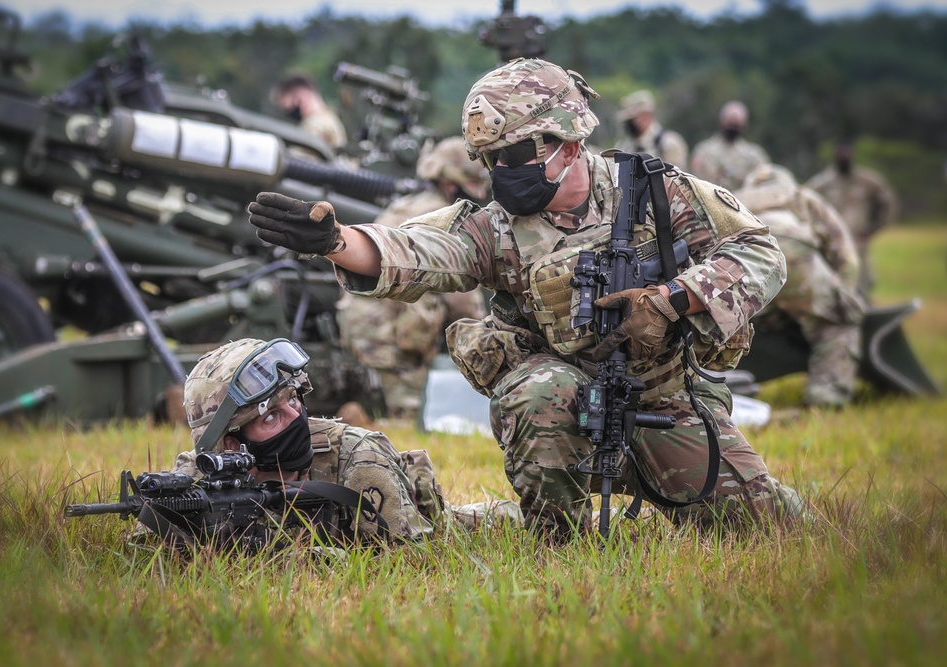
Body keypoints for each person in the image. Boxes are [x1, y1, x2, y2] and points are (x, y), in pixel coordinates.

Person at [248, 58, 804, 540]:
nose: (502, 172)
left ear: (570, 141)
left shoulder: (658, 191)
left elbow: (762, 252)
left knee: (771, 529)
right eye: (489, 160)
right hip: (563, 404)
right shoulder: (497, 227)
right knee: (537, 389)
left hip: (665, 399)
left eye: (515, 153)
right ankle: (557, 540)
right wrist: (336, 242)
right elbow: (421, 251)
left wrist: (673, 299)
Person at [175, 337, 521, 544]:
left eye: (294, 399)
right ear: (231, 445)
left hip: (422, 516)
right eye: (271, 416)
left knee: (505, 519)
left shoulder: (358, 456)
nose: (297, 417)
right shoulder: (204, 479)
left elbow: (406, 555)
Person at [336, 136, 489, 419]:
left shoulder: (407, 205)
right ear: (451, 184)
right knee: (410, 413)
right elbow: (462, 299)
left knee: (381, 403)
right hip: (392, 330)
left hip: (361, 321)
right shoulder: (446, 219)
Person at [736, 164, 866, 408]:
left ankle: (719, 396)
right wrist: (840, 299)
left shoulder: (735, 198)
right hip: (792, 248)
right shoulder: (803, 196)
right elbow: (846, 257)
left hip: (742, 254)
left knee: (726, 331)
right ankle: (825, 399)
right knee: (836, 322)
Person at [806, 142, 898, 299]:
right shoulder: (823, 183)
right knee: (834, 287)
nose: (844, 158)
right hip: (832, 245)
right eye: (840, 154)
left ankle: (865, 317)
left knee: (862, 286)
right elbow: (804, 201)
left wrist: (875, 227)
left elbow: (887, 202)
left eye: (847, 154)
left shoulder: (866, 181)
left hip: (859, 242)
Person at [690, 100, 770, 191]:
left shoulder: (754, 155)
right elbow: (697, 182)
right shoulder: (704, 151)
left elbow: (762, 183)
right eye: (730, 122)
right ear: (722, 121)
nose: (733, 127)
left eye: (737, 123)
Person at [614, 89, 689, 170]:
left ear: (646, 116)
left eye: (631, 120)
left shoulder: (668, 143)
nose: (628, 124)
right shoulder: (623, 147)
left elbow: (677, 179)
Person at [272, 73, 348, 150]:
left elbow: (298, 157)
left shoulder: (315, 125)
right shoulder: (329, 118)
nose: (288, 112)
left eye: (287, 107)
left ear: (300, 94)